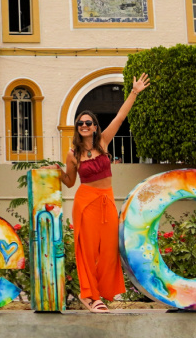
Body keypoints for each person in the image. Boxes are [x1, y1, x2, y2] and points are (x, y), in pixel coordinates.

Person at [58, 73, 149, 313]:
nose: (85, 126)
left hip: (107, 200)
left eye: (88, 123)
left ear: (95, 126)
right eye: (81, 123)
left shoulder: (104, 143)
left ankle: (101, 292)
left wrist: (134, 92)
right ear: (77, 128)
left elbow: (121, 116)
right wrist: (56, 171)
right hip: (85, 202)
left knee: (109, 250)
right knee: (87, 251)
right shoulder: (72, 154)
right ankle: (90, 295)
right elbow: (69, 182)